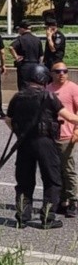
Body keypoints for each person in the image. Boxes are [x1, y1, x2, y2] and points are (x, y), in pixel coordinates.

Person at [4, 64, 78, 229]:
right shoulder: (48, 96)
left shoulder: (17, 97)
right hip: (44, 142)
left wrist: (21, 133)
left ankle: (22, 218)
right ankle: (47, 218)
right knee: (52, 180)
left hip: (24, 143)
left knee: (24, 181)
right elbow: (70, 117)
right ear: (44, 79)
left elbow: (8, 120)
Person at [47, 62, 78, 218]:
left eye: (65, 71)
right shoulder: (48, 89)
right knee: (56, 172)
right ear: (51, 73)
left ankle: (73, 202)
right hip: (51, 137)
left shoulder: (73, 88)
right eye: (58, 71)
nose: (62, 73)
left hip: (67, 136)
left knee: (69, 171)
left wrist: (77, 131)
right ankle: (62, 201)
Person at [11, 20, 42, 91]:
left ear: (22, 29)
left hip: (24, 66)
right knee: (34, 86)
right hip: (35, 66)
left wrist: (16, 57)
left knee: (23, 87)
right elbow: (41, 56)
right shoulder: (37, 39)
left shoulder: (20, 39)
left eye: (19, 29)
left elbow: (11, 47)